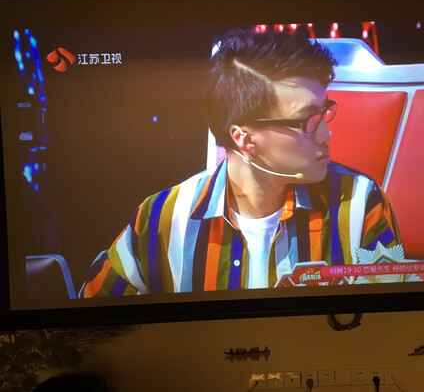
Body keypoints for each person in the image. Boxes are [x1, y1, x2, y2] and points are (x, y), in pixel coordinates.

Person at [80, 28, 403, 298]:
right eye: (308, 120)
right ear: (244, 139)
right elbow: (94, 322)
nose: (326, 134)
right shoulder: (162, 218)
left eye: (324, 112)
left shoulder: (358, 203)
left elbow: (393, 322)